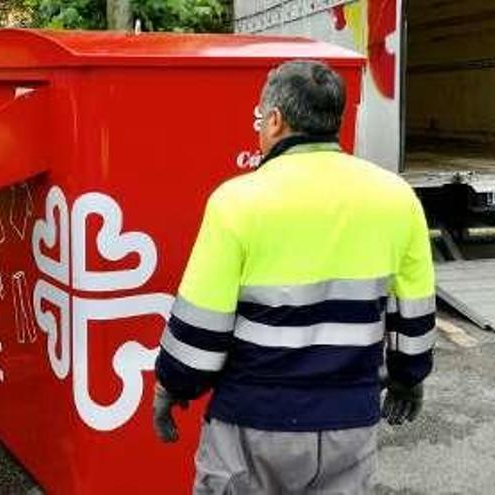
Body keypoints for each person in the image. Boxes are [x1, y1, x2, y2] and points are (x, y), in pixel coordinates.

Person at [152, 60, 436, 494]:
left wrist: (172, 386)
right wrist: (408, 378)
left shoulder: (238, 202)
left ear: (275, 120)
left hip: (251, 423)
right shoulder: (396, 197)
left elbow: (200, 329)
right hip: (349, 424)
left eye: (258, 119)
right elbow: (413, 312)